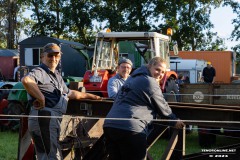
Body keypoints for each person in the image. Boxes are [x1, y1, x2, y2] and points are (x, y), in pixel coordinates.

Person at [21, 43, 102, 160]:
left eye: (56, 56)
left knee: (50, 154)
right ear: (42, 57)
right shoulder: (40, 71)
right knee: (49, 156)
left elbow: (70, 93)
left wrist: (93, 97)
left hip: (51, 119)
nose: (53, 59)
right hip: (44, 117)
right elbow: (26, 80)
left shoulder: (57, 75)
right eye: (50, 55)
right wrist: (41, 98)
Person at [103, 57, 184, 160]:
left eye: (163, 72)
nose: (160, 74)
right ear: (149, 66)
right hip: (130, 128)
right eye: (157, 69)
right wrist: (174, 120)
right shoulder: (149, 82)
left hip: (110, 126)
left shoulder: (132, 78)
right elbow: (162, 106)